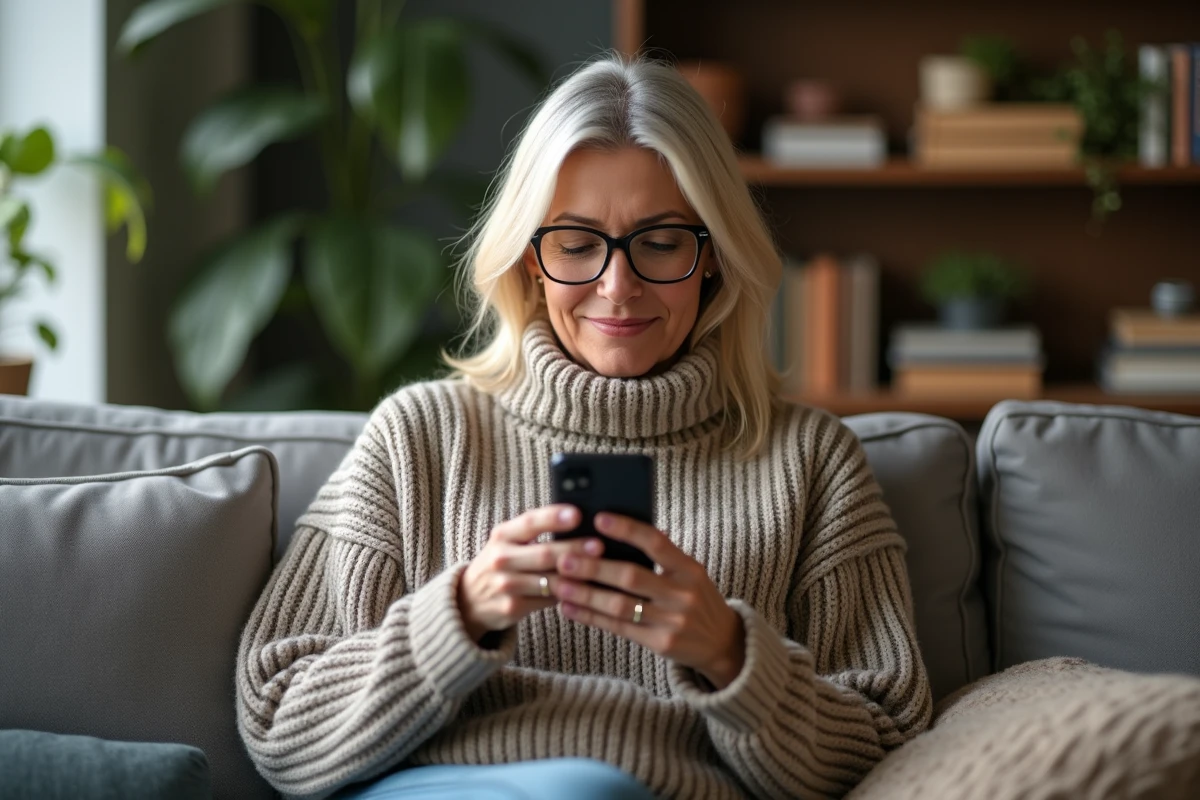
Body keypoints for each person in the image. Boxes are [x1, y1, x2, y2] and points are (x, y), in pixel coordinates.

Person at [235, 52, 932, 800]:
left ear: (715, 259)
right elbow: (279, 720)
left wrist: (731, 655)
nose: (617, 286)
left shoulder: (809, 460)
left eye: (661, 242)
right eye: (575, 244)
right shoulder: (420, 438)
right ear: (531, 260)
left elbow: (889, 738)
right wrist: (459, 616)